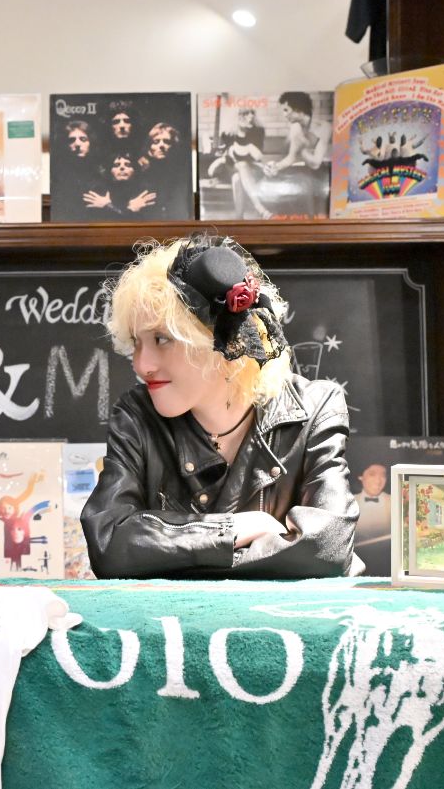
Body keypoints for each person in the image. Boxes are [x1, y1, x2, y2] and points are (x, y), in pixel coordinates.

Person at [81, 234, 362, 578]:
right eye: (137, 342)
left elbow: (327, 547)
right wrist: (236, 528)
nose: (142, 364)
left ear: (226, 341)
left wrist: (181, 558)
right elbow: (109, 543)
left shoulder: (315, 408)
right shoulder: (136, 417)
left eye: (162, 338)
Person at [263, 92, 331, 216]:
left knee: (303, 181)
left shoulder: (324, 127)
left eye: (286, 110)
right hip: (302, 173)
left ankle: (310, 221)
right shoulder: (295, 127)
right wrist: (275, 166)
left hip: (321, 174)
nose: (284, 115)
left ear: (298, 109)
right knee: (272, 181)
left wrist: (300, 144)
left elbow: (316, 163)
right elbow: (291, 158)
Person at [207, 108, 273, 220]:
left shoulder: (258, 131)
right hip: (231, 168)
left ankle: (239, 219)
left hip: (252, 170)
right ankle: (260, 208)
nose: (251, 116)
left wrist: (245, 144)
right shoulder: (227, 134)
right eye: (246, 113)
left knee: (237, 177)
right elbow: (229, 158)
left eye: (252, 113)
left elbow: (257, 157)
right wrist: (223, 160)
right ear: (237, 116)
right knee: (240, 166)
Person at [352, 463, 390, 574]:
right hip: (356, 567)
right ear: (360, 476)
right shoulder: (349, 503)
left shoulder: (396, 501)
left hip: (387, 565)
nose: (378, 481)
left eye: (383, 475)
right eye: (372, 474)